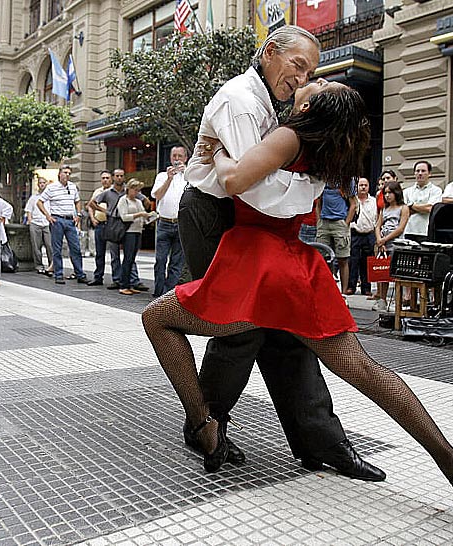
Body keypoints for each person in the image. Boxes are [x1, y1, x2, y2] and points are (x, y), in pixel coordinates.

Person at [143, 80, 453, 527]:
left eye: (316, 82)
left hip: (256, 267)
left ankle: (203, 423)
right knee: (370, 373)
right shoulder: (324, 148)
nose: (307, 81)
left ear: (312, 105)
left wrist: (213, 149)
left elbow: (235, 178)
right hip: (299, 271)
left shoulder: (290, 134)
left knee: (156, 318)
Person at [177, 25, 383, 481]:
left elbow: (258, 181)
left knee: (286, 332)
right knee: (238, 328)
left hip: (251, 222)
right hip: (213, 213)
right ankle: (206, 427)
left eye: (311, 71)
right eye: (298, 65)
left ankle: (322, 442)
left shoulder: (276, 103)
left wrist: (303, 184)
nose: (302, 77)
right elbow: (248, 185)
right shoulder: (241, 99)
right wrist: (305, 187)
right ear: (270, 52)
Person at [35, 165, 88, 285]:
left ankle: (80, 273)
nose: (67, 175)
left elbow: (77, 201)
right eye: (65, 172)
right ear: (59, 174)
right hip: (57, 220)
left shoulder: (72, 187)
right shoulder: (52, 187)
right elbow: (40, 202)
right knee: (57, 249)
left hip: (70, 220)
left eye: (69, 173)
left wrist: (78, 214)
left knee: (75, 248)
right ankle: (58, 274)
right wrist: (48, 216)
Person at [151, 147, 188, 297]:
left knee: (176, 263)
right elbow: (157, 196)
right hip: (164, 224)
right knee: (160, 260)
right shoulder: (161, 176)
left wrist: (187, 172)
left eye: (180, 156)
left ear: (185, 158)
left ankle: (168, 295)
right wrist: (169, 178)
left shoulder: (189, 176)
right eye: (174, 156)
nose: (177, 159)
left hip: (181, 224)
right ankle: (158, 292)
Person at [373, 181, 409, 310]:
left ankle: (396, 301)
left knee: (395, 273)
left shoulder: (403, 208)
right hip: (383, 244)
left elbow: (400, 228)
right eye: (385, 193)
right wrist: (379, 240)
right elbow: (378, 225)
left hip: (396, 244)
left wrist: (385, 239)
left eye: (390, 193)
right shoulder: (384, 209)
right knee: (382, 273)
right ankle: (382, 299)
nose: (387, 195)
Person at [316, 181, 357, 294]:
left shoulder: (347, 180)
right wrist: (319, 221)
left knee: (342, 258)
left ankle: (343, 293)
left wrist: (346, 223)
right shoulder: (323, 180)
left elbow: (353, 204)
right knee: (324, 258)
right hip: (324, 222)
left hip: (339, 222)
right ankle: (328, 291)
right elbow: (319, 202)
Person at [117, 179, 153, 295]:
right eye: (135, 190)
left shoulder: (138, 202)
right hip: (129, 232)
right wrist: (140, 214)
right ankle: (123, 285)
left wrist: (149, 217)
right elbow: (124, 217)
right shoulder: (123, 200)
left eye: (138, 190)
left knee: (132, 259)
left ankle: (130, 284)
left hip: (138, 231)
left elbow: (143, 216)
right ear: (129, 189)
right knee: (128, 258)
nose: (137, 192)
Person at [347, 177, 377, 296]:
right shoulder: (352, 201)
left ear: (369, 187)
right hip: (355, 233)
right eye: (361, 185)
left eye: (365, 185)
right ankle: (351, 286)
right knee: (353, 261)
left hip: (369, 234)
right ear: (356, 187)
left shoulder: (374, 201)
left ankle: (366, 287)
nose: (363, 187)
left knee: (367, 262)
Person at [403, 160, 442, 244]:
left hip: (425, 231)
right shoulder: (406, 191)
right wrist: (422, 208)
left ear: (429, 173)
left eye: (423, 171)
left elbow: (430, 209)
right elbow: (404, 211)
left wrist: (411, 205)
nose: (420, 173)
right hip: (408, 230)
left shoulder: (436, 191)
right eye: (417, 171)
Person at [85, 171, 113, 286]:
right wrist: (92, 218)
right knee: (99, 253)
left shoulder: (114, 191)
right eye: (103, 178)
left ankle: (117, 279)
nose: (105, 180)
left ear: (111, 179)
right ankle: (98, 277)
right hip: (100, 224)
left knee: (114, 253)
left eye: (107, 178)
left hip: (112, 225)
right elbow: (90, 205)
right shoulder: (97, 191)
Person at [25, 177, 54, 276]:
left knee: (50, 246)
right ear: (38, 185)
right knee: (36, 246)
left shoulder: (50, 198)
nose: (42, 184)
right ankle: (39, 266)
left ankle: (52, 265)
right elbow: (29, 210)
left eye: (43, 183)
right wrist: (30, 221)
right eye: (40, 183)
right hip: (36, 223)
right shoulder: (33, 198)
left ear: (46, 184)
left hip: (47, 223)